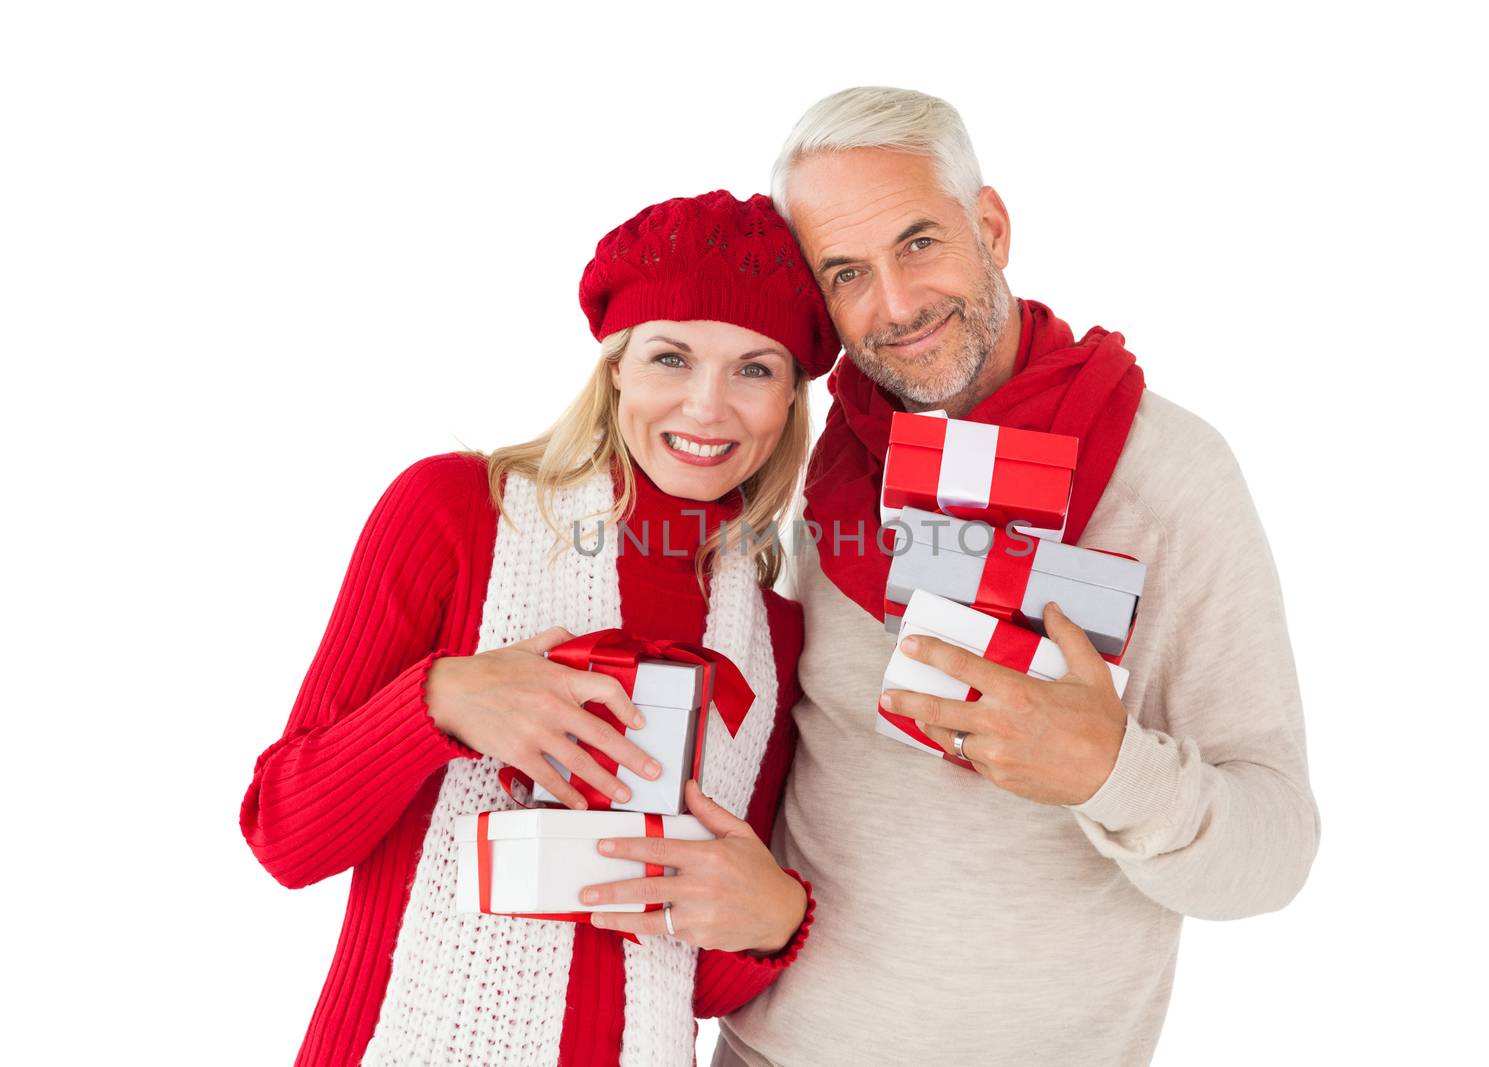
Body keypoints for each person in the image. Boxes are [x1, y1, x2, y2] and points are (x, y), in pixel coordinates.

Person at [716, 88, 1322, 1066]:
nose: (897, 306)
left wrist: (1110, 769)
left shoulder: (1164, 476)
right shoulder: (816, 468)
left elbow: (1274, 850)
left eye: (919, 243)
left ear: (988, 224)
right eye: (847, 272)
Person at [240, 190, 840, 1066]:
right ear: (616, 367)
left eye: (754, 368)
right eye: (672, 356)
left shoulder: (773, 634)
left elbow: (692, 977)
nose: (708, 408)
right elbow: (284, 835)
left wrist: (775, 918)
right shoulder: (455, 515)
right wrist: (441, 699)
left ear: (790, 396)